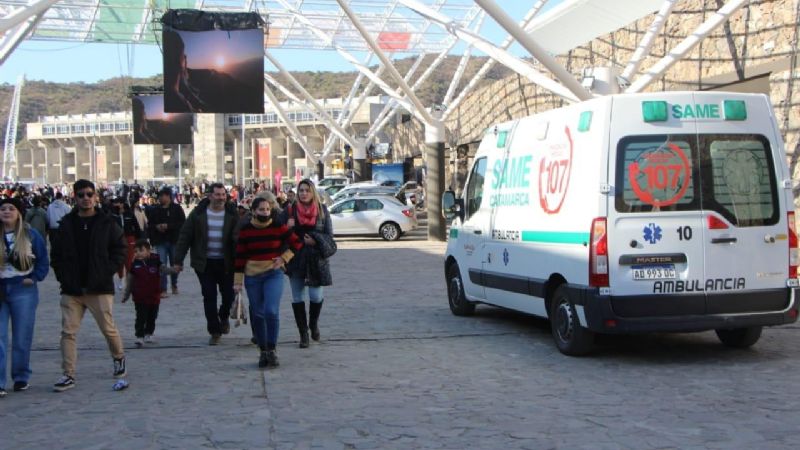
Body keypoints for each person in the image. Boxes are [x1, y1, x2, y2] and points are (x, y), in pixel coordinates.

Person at [50, 179, 128, 392]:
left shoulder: (107, 223)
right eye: (81, 194)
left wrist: (105, 271)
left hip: (99, 287)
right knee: (68, 332)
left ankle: (119, 360)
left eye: (89, 194)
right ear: (74, 197)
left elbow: (120, 250)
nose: (85, 198)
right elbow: (55, 255)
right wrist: (63, 277)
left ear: (96, 197)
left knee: (108, 329)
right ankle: (68, 374)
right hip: (72, 288)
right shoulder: (66, 224)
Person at [234, 197, 302, 368]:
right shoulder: (246, 230)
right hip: (252, 276)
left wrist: (284, 258)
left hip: (273, 273)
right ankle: (262, 350)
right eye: (261, 209)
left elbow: (297, 243)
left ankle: (272, 349)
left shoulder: (278, 226)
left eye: (267, 209)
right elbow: (240, 256)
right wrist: (238, 281)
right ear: (254, 211)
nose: (265, 212)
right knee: (257, 313)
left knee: (271, 311)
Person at [174, 183, 238, 345]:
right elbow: (185, 237)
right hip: (204, 263)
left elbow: (239, 238)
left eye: (223, 194)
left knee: (229, 296)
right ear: (210, 196)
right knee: (209, 296)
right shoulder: (198, 214)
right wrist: (178, 260)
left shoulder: (232, 214)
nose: (221, 198)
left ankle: (223, 317)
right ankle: (214, 330)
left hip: (226, 263)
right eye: (217, 195)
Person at [0, 198, 49, 397]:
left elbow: (43, 260)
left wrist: (35, 277)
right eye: (2, 208)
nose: (6, 211)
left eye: (11, 208)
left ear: (19, 213)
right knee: (0, 338)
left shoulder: (30, 235)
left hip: (23, 289)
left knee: (22, 336)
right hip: (1, 288)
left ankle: (21, 376)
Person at [285, 179, 336, 348]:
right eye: (301, 190)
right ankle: (303, 333)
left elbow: (329, 237)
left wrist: (316, 241)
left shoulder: (322, 211)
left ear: (312, 192)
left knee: (316, 296)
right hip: (295, 259)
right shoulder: (290, 211)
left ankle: (313, 323)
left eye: (307, 190)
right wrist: (287, 226)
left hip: (316, 260)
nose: (304, 193)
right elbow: (279, 235)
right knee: (297, 297)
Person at [121, 239, 178, 347]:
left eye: (141, 250)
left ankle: (149, 334)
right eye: (136, 251)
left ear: (148, 250)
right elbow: (130, 281)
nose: (138, 254)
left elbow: (164, 270)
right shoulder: (134, 265)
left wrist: (174, 270)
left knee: (152, 316)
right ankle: (139, 336)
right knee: (141, 317)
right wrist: (126, 295)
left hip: (154, 296)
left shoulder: (156, 261)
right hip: (140, 297)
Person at [147, 187, 185, 296]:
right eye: (159, 196)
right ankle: (163, 288)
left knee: (175, 263)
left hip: (174, 240)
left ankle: (174, 284)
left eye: (162, 196)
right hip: (160, 241)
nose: (160, 198)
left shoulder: (177, 209)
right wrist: (157, 227)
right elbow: (150, 225)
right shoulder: (155, 210)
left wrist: (169, 226)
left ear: (168, 196)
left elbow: (182, 224)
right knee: (162, 264)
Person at [109, 197, 144, 289]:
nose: (115, 205)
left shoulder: (129, 214)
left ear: (122, 204)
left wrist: (139, 240)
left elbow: (136, 227)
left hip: (129, 238)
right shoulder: (112, 215)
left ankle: (129, 281)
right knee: (119, 261)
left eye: (117, 203)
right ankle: (120, 279)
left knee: (128, 261)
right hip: (117, 239)